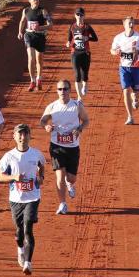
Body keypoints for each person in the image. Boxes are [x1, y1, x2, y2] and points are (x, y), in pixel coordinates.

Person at [0, 123, 45, 276]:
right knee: (19, 232)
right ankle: (20, 249)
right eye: (19, 134)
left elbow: (42, 166)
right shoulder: (9, 156)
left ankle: (28, 263)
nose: (22, 137)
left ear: (30, 136)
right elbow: (0, 176)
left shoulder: (36, 154)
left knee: (28, 227)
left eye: (25, 134)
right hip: (16, 199)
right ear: (14, 137)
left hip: (33, 197)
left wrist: (41, 177)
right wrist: (13, 177)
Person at [40, 79, 89, 214]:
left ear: (70, 90)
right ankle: (62, 204)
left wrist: (79, 129)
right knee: (59, 177)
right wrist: (47, 126)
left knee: (71, 178)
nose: (62, 91)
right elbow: (43, 120)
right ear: (57, 91)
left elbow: (86, 121)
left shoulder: (76, 105)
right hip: (57, 146)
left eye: (65, 89)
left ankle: (70, 184)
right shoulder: (52, 106)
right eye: (60, 89)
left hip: (73, 147)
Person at [110, 17, 139, 125]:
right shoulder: (118, 38)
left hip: (136, 67)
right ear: (124, 24)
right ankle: (130, 117)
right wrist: (116, 52)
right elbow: (112, 50)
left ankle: (135, 98)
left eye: (132, 22)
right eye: (129, 22)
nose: (131, 24)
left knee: (136, 91)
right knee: (125, 91)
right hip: (123, 67)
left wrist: (138, 51)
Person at [18, 0, 53, 92]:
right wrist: (20, 32)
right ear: (30, 1)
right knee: (31, 58)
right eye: (34, 0)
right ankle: (32, 81)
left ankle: (39, 78)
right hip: (29, 35)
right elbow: (22, 21)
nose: (36, 1)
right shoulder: (26, 11)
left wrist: (40, 27)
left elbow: (50, 25)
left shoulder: (43, 11)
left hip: (40, 36)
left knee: (39, 59)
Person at [66, 7, 98, 100]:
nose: (79, 16)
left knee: (84, 74)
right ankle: (79, 97)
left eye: (81, 15)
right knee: (77, 75)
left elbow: (95, 38)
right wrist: (68, 43)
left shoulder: (87, 27)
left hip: (85, 52)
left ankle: (85, 85)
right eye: (77, 14)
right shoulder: (72, 26)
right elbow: (69, 39)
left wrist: (87, 38)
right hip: (75, 52)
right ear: (75, 15)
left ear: (84, 16)